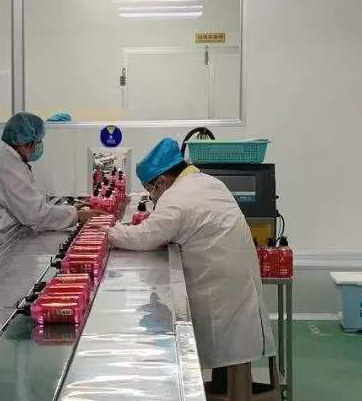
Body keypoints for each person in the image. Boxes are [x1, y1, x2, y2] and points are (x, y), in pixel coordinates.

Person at [96, 138, 273, 369]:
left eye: (151, 191)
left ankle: (219, 389)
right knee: (236, 347)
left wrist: (108, 230)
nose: (153, 197)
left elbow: (143, 237)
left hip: (219, 291)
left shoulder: (175, 199)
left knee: (221, 347)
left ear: (162, 181)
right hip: (238, 281)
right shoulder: (208, 182)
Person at [0, 112, 100, 261]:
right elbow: (35, 214)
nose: (39, 147)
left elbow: (32, 206)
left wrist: (72, 209)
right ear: (26, 143)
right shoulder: (8, 167)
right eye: (39, 142)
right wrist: (76, 215)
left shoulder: (10, 160)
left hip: (3, 242)